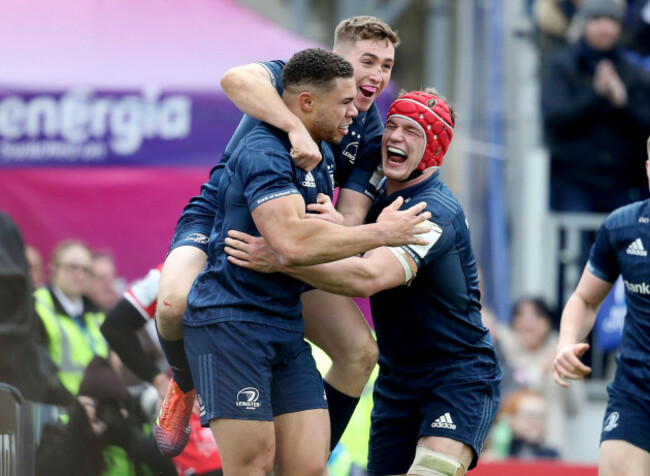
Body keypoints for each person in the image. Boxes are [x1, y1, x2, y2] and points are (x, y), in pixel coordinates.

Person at [155, 15, 400, 458]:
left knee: (360, 353)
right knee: (173, 303)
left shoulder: (369, 131)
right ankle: (183, 384)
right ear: (338, 59)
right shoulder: (295, 77)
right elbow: (234, 79)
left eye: (386, 65)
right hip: (221, 222)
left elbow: (350, 220)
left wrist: (334, 225)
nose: (378, 76)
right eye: (368, 61)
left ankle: (311, 457)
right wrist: (294, 128)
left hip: (288, 241)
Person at [225, 89, 501, 476]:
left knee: (432, 471)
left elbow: (367, 277)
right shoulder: (375, 196)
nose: (395, 138)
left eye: (412, 132)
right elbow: (347, 236)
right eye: (392, 126)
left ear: (434, 150)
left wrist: (283, 261)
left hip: (457, 376)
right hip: (396, 381)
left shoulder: (430, 211)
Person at [552, 136, 650, 475]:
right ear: (649, 171)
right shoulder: (623, 227)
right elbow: (584, 299)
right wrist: (566, 342)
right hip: (635, 392)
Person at [101, 264, 224, 476]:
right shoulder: (175, 270)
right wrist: (158, 380)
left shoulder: (260, 257)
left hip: (257, 411)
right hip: (201, 426)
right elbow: (115, 325)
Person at [542, 0, 650, 217]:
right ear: (584, 24)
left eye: (611, 21)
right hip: (573, 180)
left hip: (623, 182)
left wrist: (622, 103)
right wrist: (595, 95)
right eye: (597, 20)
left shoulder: (632, 72)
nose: (604, 28)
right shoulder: (561, 64)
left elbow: (645, 125)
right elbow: (555, 119)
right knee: (576, 249)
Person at [35, 356, 176, 476]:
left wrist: (131, 438)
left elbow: (175, 469)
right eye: (98, 406)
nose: (105, 414)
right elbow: (45, 470)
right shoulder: (63, 430)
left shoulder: (135, 433)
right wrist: (77, 432)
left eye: (112, 407)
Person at [497, 297, 585, 452]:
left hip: (553, 445)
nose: (528, 322)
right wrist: (538, 370)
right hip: (512, 449)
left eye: (537, 315)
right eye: (521, 315)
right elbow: (504, 400)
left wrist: (568, 369)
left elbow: (576, 406)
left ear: (549, 322)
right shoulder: (503, 351)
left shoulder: (559, 350)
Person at [32, 240, 110, 395]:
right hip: (56, 412)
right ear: (54, 267)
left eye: (86, 270)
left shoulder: (97, 316)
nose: (79, 274)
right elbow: (37, 371)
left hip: (96, 412)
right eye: (72, 267)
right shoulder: (37, 307)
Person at [486, 388, 561, 461]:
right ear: (510, 419)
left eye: (541, 416)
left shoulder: (552, 457)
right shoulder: (499, 455)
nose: (536, 422)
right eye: (529, 415)